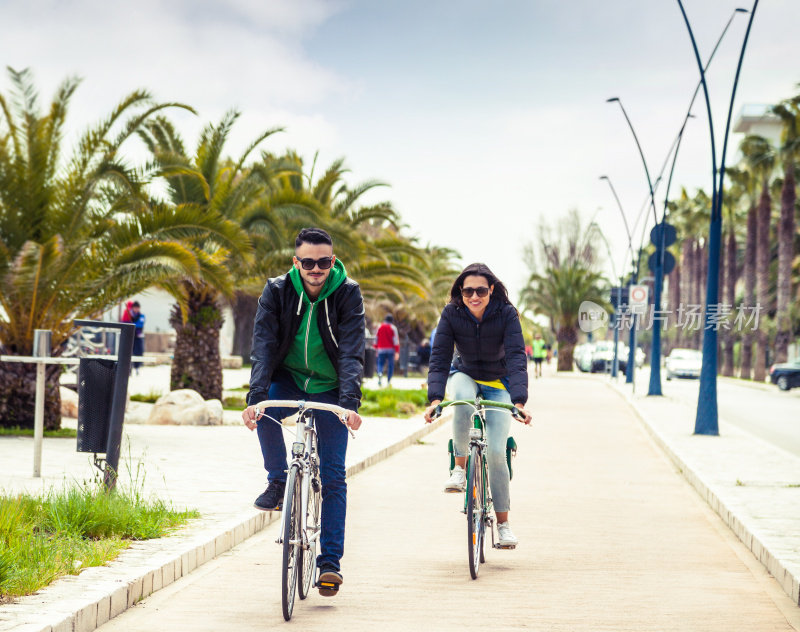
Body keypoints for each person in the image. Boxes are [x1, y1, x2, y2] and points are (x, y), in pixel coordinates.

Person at [241, 227, 365, 596]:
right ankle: (279, 481)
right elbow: (262, 343)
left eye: (323, 262)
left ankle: (329, 565)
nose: (315, 269)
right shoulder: (277, 290)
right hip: (290, 378)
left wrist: (349, 405)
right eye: (308, 262)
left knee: (333, 477)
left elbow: (352, 350)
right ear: (296, 262)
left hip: (330, 387)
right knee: (264, 411)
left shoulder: (347, 293)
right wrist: (255, 396)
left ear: (333, 261)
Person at [423, 263, 532, 548]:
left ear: (491, 290)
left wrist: (519, 401)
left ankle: (504, 525)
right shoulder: (452, 313)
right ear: (460, 291)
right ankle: (459, 468)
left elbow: (518, 358)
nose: (474, 296)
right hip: (465, 374)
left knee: (496, 452)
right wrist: (435, 398)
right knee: (462, 402)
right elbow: (440, 357)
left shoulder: (506, 314)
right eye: (468, 290)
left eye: (481, 290)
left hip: (499, 382)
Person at [374, 314, 399, 386]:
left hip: (381, 349)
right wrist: (397, 351)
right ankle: (388, 380)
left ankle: (380, 373)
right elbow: (395, 340)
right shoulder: (393, 328)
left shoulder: (379, 327)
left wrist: (376, 348)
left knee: (380, 363)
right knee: (390, 365)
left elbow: (376, 338)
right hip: (390, 349)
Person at [122, 301, 145, 373]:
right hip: (130, 336)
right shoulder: (127, 314)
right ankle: (129, 368)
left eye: (137, 308)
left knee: (138, 352)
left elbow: (139, 325)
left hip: (137, 336)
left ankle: (137, 367)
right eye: (135, 308)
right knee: (128, 352)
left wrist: (133, 323)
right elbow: (124, 323)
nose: (136, 309)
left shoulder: (141, 316)